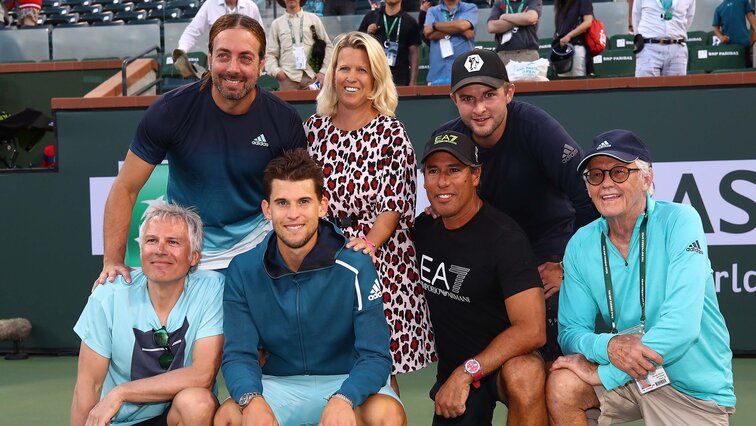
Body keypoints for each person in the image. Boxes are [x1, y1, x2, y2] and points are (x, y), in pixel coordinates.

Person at [96, 14, 306, 286]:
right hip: (185, 244)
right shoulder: (171, 110)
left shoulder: (283, 119)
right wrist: (112, 261)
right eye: (223, 56)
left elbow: (300, 198)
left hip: (255, 244)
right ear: (209, 58)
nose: (233, 68)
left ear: (261, 64)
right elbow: (125, 187)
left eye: (245, 57)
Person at [546, 129, 736, 424]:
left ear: (647, 179)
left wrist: (604, 372)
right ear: (587, 187)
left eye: (619, 172)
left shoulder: (681, 221)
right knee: (563, 385)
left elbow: (682, 327)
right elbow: (570, 332)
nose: (606, 184)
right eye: (596, 176)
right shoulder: (581, 244)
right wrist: (608, 346)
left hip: (689, 389)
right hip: (629, 380)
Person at [215, 149, 406, 426]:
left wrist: (345, 398)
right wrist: (251, 398)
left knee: (386, 416)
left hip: (345, 379)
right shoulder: (243, 270)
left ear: (322, 206)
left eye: (304, 201)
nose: (293, 215)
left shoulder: (356, 264)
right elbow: (238, 355)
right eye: (282, 203)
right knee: (230, 417)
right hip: (278, 385)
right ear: (267, 209)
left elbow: (376, 356)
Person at [432, 48, 598, 364]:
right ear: (454, 100)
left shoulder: (537, 128)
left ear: (509, 92)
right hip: (490, 267)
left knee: (551, 369)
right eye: (467, 98)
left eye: (489, 95)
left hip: (545, 259)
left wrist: (567, 266)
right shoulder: (448, 139)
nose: (479, 108)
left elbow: (587, 197)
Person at [304, 31, 435, 392]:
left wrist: (368, 246)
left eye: (362, 70)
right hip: (323, 262)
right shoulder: (312, 130)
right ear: (332, 74)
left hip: (380, 263)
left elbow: (394, 204)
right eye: (344, 68)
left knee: (378, 373)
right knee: (328, 370)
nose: (352, 78)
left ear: (376, 77)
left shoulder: (392, 132)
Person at [413, 130, 548, 425]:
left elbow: (532, 329)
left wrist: (467, 371)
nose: (442, 182)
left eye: (454, 170)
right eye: (433, 171)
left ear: (475, 176)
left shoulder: (505, 238)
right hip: (453, 371)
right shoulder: (422, 229)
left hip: (499, 365)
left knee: (525, 373)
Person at [71, 202, 224, 426]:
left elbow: (202, 375)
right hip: (120, 420)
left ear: (194, 257)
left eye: (173, 242)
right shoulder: (109, 294)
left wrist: (121, 392)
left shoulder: (211, 289)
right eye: (152, 241)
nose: (160, 250)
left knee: (197, 403)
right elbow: (88, 385)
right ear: (141, 250)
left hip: (175, 414)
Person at [174, 0, 263, 78]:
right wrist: (181, 50)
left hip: (244, 63)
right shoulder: (209, 4)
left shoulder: (251, 6)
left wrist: (260, 62)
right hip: (218, 63)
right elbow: (193, 30)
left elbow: (260, 36)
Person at [266, 0, 334, 90]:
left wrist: (323, 72)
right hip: (288, 78)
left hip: (312, 77)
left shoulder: (313, 19)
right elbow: (270, 54)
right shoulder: (276, 24)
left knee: (316, 104)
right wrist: (276, 72)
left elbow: (328, 46)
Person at [358, 0, 421, 86]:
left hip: (400, 80)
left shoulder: (410, 22)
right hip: (373, 77)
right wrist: (368, 34)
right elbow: (358, 45)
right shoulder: (371, 17)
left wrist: (413, 82)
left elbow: (414, 53)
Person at [632, 0, 695, 77]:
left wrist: (674, 35)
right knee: (646, 87)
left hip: (677, 48)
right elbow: (636, 17)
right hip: (649, 47)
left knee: (677, 88)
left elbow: (689, 18)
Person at [422, 0, 478, 85]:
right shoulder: (432, 11)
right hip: (437, 74)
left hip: (465, 74)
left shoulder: (470, 8)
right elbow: (429, 34)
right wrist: (461, 31)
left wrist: (434, 26)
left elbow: (462, 25)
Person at [487, 0, 542, 66]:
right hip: (504, 55)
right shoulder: (500, 2)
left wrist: (504, 17)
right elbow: (491, 27)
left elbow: (531, 18)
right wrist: (521, 18)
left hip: (527, 53)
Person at [553, 0, 594, 77]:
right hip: (562, 50)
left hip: (576, 46)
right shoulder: (561, 3)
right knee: (562, 83)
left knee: (578, 83)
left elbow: (588, 22)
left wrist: (569, 36)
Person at [713, 0, 756, 67]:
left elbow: (750, 16)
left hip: (744, 45)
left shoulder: (742, 1)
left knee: (747, 69)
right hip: (728, 48)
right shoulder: (718, 9)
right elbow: (716, 29)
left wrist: (755, 32)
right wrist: (721, 37)